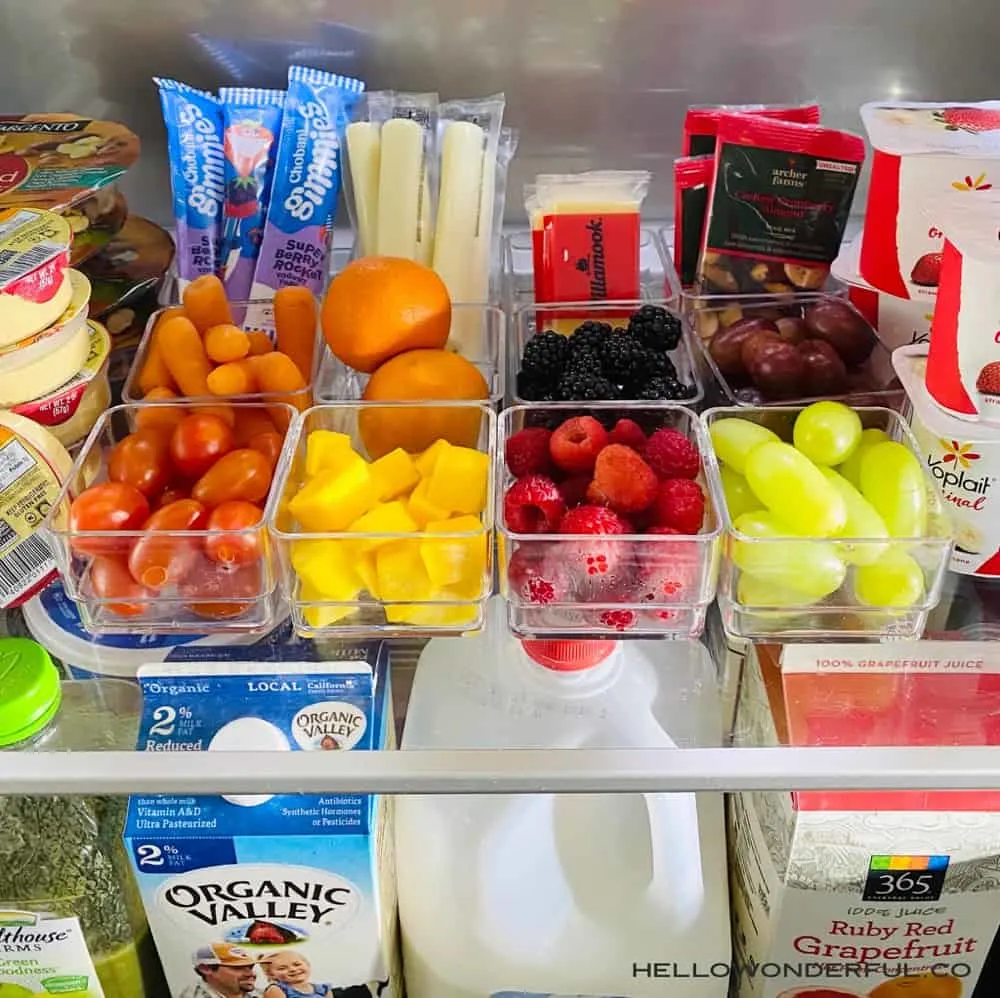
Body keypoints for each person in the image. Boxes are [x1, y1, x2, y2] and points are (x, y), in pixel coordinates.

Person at [261, 951, 371, 998]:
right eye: (282, 968)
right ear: (271, 974)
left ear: (308, 965)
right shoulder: (276, 989)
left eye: (297, 964)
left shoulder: (322, 989)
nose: (293, 969)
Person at [182, 942, 261, 998]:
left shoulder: (262, 994)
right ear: (205, 969)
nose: (251, 974)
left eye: (250, 967)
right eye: (238, 967)